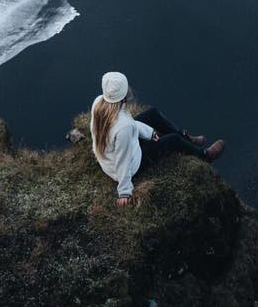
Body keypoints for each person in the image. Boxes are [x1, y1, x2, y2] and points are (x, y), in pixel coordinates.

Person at [90, 70, 225, 206]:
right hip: (130, 166)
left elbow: (126, 126)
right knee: (173, 140)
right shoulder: (124, 126)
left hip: (108, 159)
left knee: (152, 114)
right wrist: (125, 191)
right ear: (123, 94)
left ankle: (187, 139)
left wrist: (150, 133)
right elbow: (122, 160)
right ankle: (205, 156)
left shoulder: (98, 103)